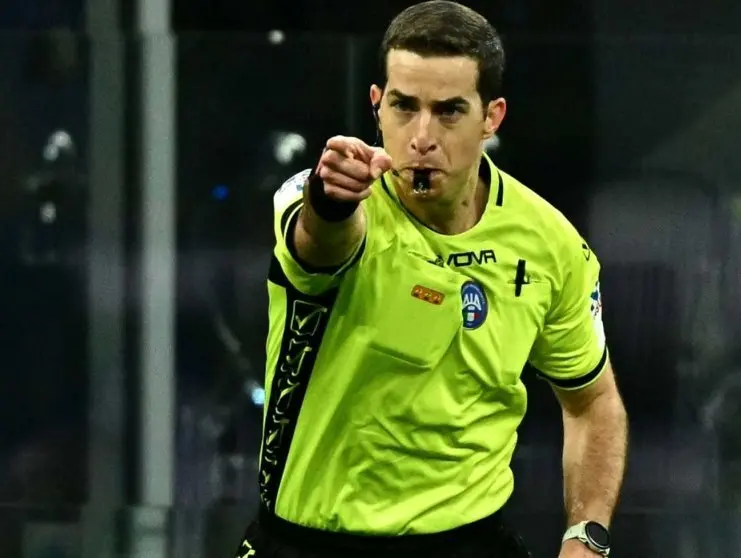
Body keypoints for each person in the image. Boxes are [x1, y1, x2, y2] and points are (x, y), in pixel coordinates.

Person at [235, 2, 628, 557]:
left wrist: (585, 538)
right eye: (403, 106)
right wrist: (331, 199)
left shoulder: (550, 244)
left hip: (472, 543)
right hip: (306, 545)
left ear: (491, 117)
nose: (422, 136)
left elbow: (593, 401)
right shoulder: (326, 199)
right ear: (377, 105)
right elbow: (323, 239)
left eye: (448, 112)